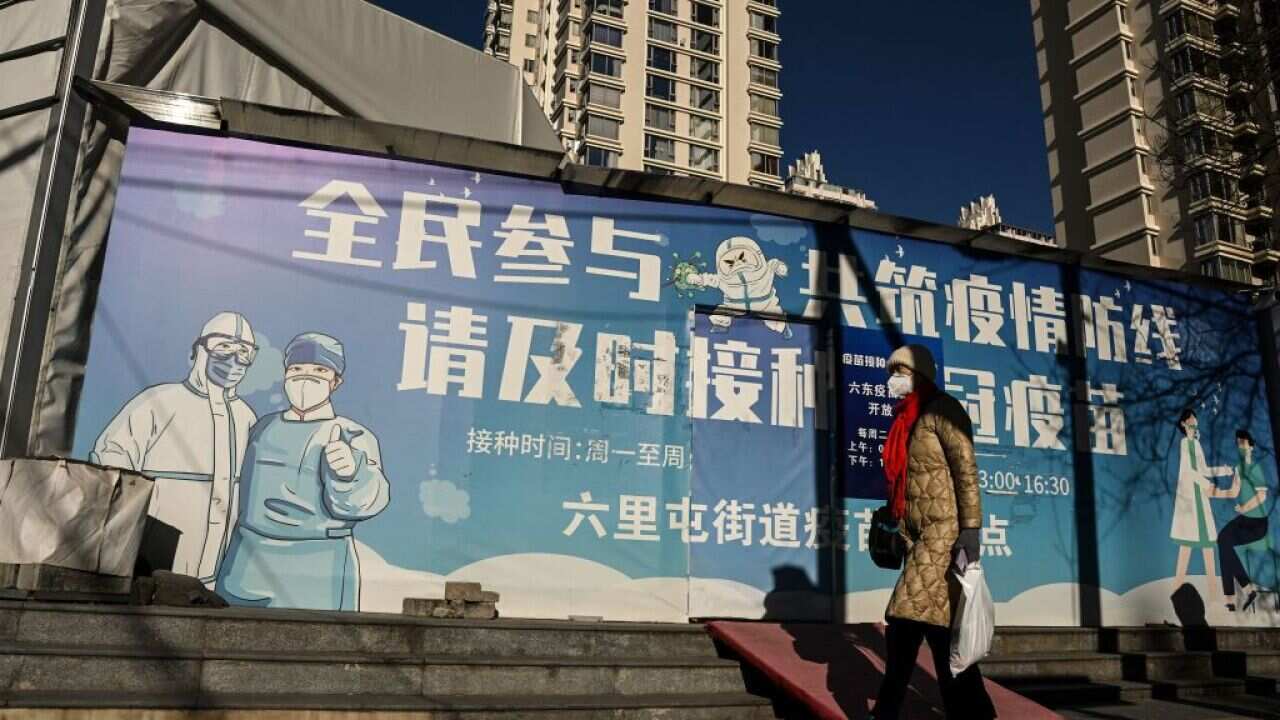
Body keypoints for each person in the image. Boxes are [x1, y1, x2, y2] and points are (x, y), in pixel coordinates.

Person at [216, 332, 389, 611]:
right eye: (296, 370)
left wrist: (350, 474)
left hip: (319, 565)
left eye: (320, 371)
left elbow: (367, 500)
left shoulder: (350, 434)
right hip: (246, 562)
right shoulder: (261, 428)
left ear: (336, 382)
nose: (305, 379)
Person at [870, 344, 995, 720]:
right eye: (891, 372)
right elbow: (906, 484)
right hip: (917, 537)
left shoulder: (943, 410)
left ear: (919, 374)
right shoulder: (905, 420)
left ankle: (886, 711)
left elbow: (966, 471)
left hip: (944, 533)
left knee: (903, 622)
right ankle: (975, 712)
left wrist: (971, 529)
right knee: (940, 633)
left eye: (900, 372)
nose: (893, 380)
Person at [91, 311, 258, 586]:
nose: (233, 361)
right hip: (153, 563)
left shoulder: (245, 416)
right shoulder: (157, 403)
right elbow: (111, 460)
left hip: (216, 572)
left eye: (244, 352)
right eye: (223, 347)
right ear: (199, 350)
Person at [1170, 409, 1234, 603]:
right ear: (1183, 424)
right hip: (1190, 499)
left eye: (1195, 420)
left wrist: (1223, 470)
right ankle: (1175, 593)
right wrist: (1207, 485)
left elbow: (1204, 469)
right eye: (1190, 420)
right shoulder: (1184, 444)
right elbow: (1189, 472)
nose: (1194, 422)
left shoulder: (1197, 445)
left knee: (1208, 549)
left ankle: (1214, 598)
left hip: (1200, 498)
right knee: (1185, 548)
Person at [1217, 429, 1271, 612]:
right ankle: (1234, 598)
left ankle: (1245, 590)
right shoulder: (1239, 469)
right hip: (1245, 519)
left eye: (1243, 443)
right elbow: (1233, 492)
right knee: (1223, 540)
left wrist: (1244, 508)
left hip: (1258, 524)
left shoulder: (1255, 468)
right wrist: (1211, 492)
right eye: (1238, 444)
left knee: (1224, 541)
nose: (1240, 447)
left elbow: (1262, 496)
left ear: (1251, 446)